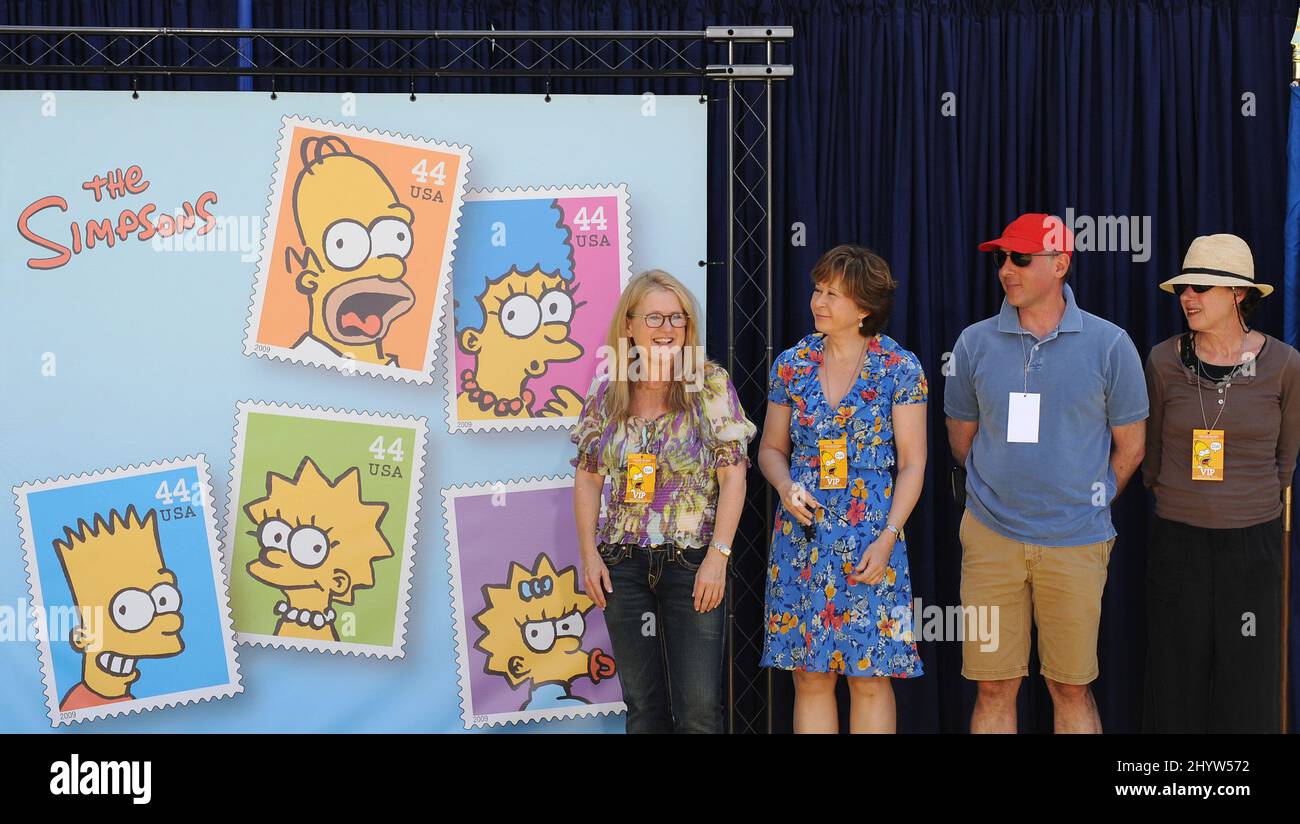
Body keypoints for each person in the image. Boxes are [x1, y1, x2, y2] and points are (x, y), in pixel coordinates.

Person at [944, 213, 1148, 734]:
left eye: (1020, 258)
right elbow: (961, 440)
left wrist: (1090, 502)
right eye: (1001, 259)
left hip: (1077, 542)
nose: (1006, 270)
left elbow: (1131, 446)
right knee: (992, 685)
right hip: (991, 540)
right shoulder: (972, 344)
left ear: (1060, 263)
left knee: (1071, 685)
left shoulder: (1110, 344)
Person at [572, 269, 756, 733]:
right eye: (654, 318)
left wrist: (718, 556)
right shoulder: (606, 388)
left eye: (678, 318)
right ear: (628, 325)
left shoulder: (709, 384)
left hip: (692, 563)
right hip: (621, 564)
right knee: (644, 709)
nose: (667, 328)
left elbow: (734, 476)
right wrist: (590, 555)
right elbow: (588, 476)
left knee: (697, 712)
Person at [758, 244, 928, 734]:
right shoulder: (792, 364)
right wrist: (787, 485)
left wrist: (890, 536)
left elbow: (914, 464)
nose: (819, 301)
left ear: (865, 307)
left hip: (874, 538)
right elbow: (770, 449)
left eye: (834, 293)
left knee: (870, 675)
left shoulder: (901, 367)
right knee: (810, 675)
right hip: (803, 538)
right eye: (818, 289)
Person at [1142, 233, 1300, 733]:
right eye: (1184, 288)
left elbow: (1286, 458)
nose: (1187, 297)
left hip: (1253, 545)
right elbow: (1152, 453)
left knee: (1248, 679)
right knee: (1175, 679)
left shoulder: (1285, 364)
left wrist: (1243, 503)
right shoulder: (1163, 361)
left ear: (1237, 294)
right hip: (1179, 542)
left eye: (1202, 288)